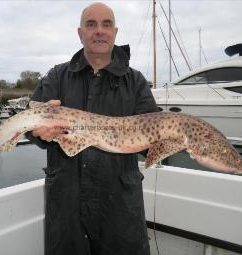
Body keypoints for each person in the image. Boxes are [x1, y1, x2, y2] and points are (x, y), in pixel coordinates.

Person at [27, 2, 157, 255]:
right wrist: (37, 131)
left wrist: (168, 142)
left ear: (115, 32)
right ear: (80, 33)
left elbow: (151, 145)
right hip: (67, 203)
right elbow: (32, 129)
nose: (99, 30)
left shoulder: (137, 82)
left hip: (119, 207)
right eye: (91, 24)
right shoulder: (56, 76)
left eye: (106, 24)